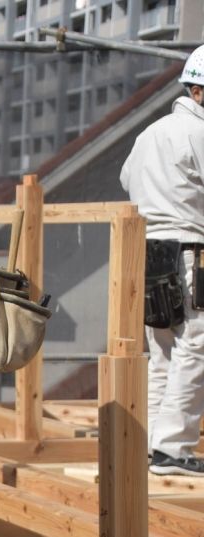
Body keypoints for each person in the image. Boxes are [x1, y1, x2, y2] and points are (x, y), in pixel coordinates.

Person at [120, 45, 204, 477]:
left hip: (149, 250)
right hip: (188, 249)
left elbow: (126, 178)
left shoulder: (150, 133)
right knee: (196, 345)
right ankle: (173, 448)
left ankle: (155, 446)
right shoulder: (198, 133)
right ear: (198, 89)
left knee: (164, 348)